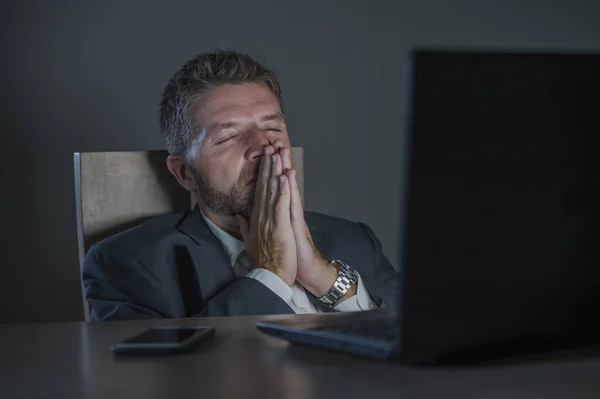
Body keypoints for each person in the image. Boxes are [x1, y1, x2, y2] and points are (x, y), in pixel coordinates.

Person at [83, 50, 398, 321]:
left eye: (273, 127)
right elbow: (172, 379)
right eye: (228, 136)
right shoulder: (129, 263)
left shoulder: (355, 241)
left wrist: (325, 278)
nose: (263, 145)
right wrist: (270, 275)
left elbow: (421, 345)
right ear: (184, 173)